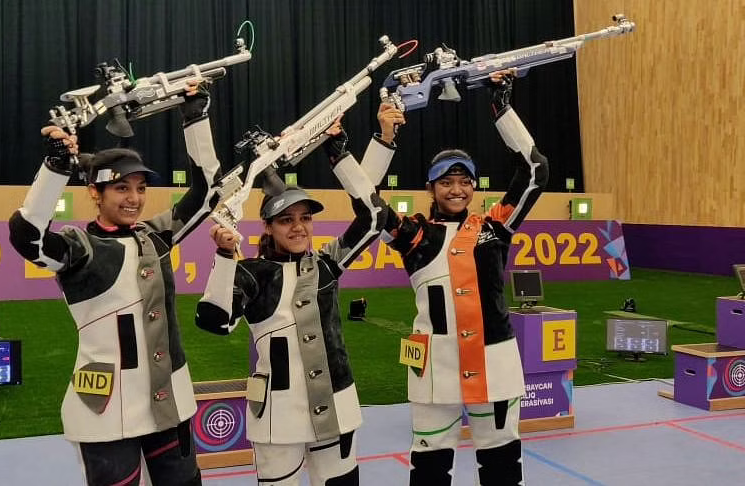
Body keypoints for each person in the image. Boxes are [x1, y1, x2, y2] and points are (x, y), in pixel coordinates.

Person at [8, 83, 220, 485]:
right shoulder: (79, 247)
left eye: (140, 189)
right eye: (121, 187)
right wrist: (56, 167)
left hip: (168, 400)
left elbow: (207, 192)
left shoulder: (156, 234)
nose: (134, 199)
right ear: (95, 192)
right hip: (105, 407)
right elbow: (26, 236)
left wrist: (195, 115)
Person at [194, 106, 403, 486]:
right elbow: (214, 322)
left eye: (305, 218)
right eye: (287, 220)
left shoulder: (327, 264)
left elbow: (374, 215)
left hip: (336, 407)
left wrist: (338, 152)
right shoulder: (251, 273)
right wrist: (225, 256)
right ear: (269, 227)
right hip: (277, 417)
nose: (298, 227)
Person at [379, 72, 548, 485]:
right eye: (446, 182)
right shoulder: (413, 233)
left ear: (473, 186)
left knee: (503, 468)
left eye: (463, 181)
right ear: (431, 187)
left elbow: (536, 170)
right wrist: (384, 137)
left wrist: (501, 105)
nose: (456, 189)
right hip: (433, 369)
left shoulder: (496, 225)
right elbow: (366, 205)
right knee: (431, 470)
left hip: (495, 364)